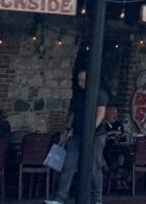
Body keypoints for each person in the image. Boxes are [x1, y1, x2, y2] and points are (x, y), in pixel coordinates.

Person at [46, 69, 110, 204]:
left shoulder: (100, 93)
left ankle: (97, 199)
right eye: (79, 80)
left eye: (83, 81)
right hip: (77, 133)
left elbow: (101, 113)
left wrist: (91, 130)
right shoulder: (78, 94)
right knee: (69, 164)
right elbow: (73, 113)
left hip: (96, 135)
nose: (80, 84)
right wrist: (66, 129)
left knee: (94, 167)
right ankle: (60, 197)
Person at [101, 106, 131, 190]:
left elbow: (123, 137)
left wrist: (114, 138)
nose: (115, 116)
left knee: (129, 158)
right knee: (112, 161)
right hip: (107, 149)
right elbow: (106, 139)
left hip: (119, 148)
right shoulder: (103, 125)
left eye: (116, 113)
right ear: (106, 114)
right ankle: (111, 181)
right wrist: (114, 138)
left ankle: (122, 179)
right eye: (113, 113)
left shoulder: (118, 124)